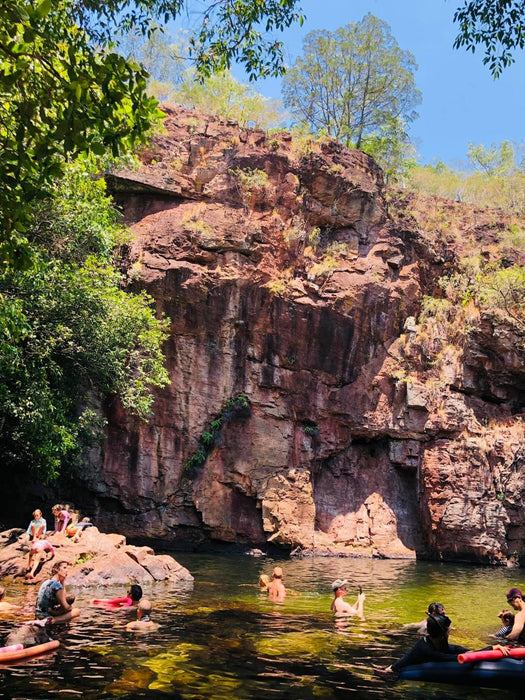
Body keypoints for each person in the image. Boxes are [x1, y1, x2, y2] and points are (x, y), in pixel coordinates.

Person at [377, 613, 468, 674]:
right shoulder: (425, 648)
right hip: (393, 673)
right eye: (448, 631)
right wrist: (466, 657)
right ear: (442, 634)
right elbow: (443, 657)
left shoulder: (433, 640)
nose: (449, 632)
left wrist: (467, 651)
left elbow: (452, 648)